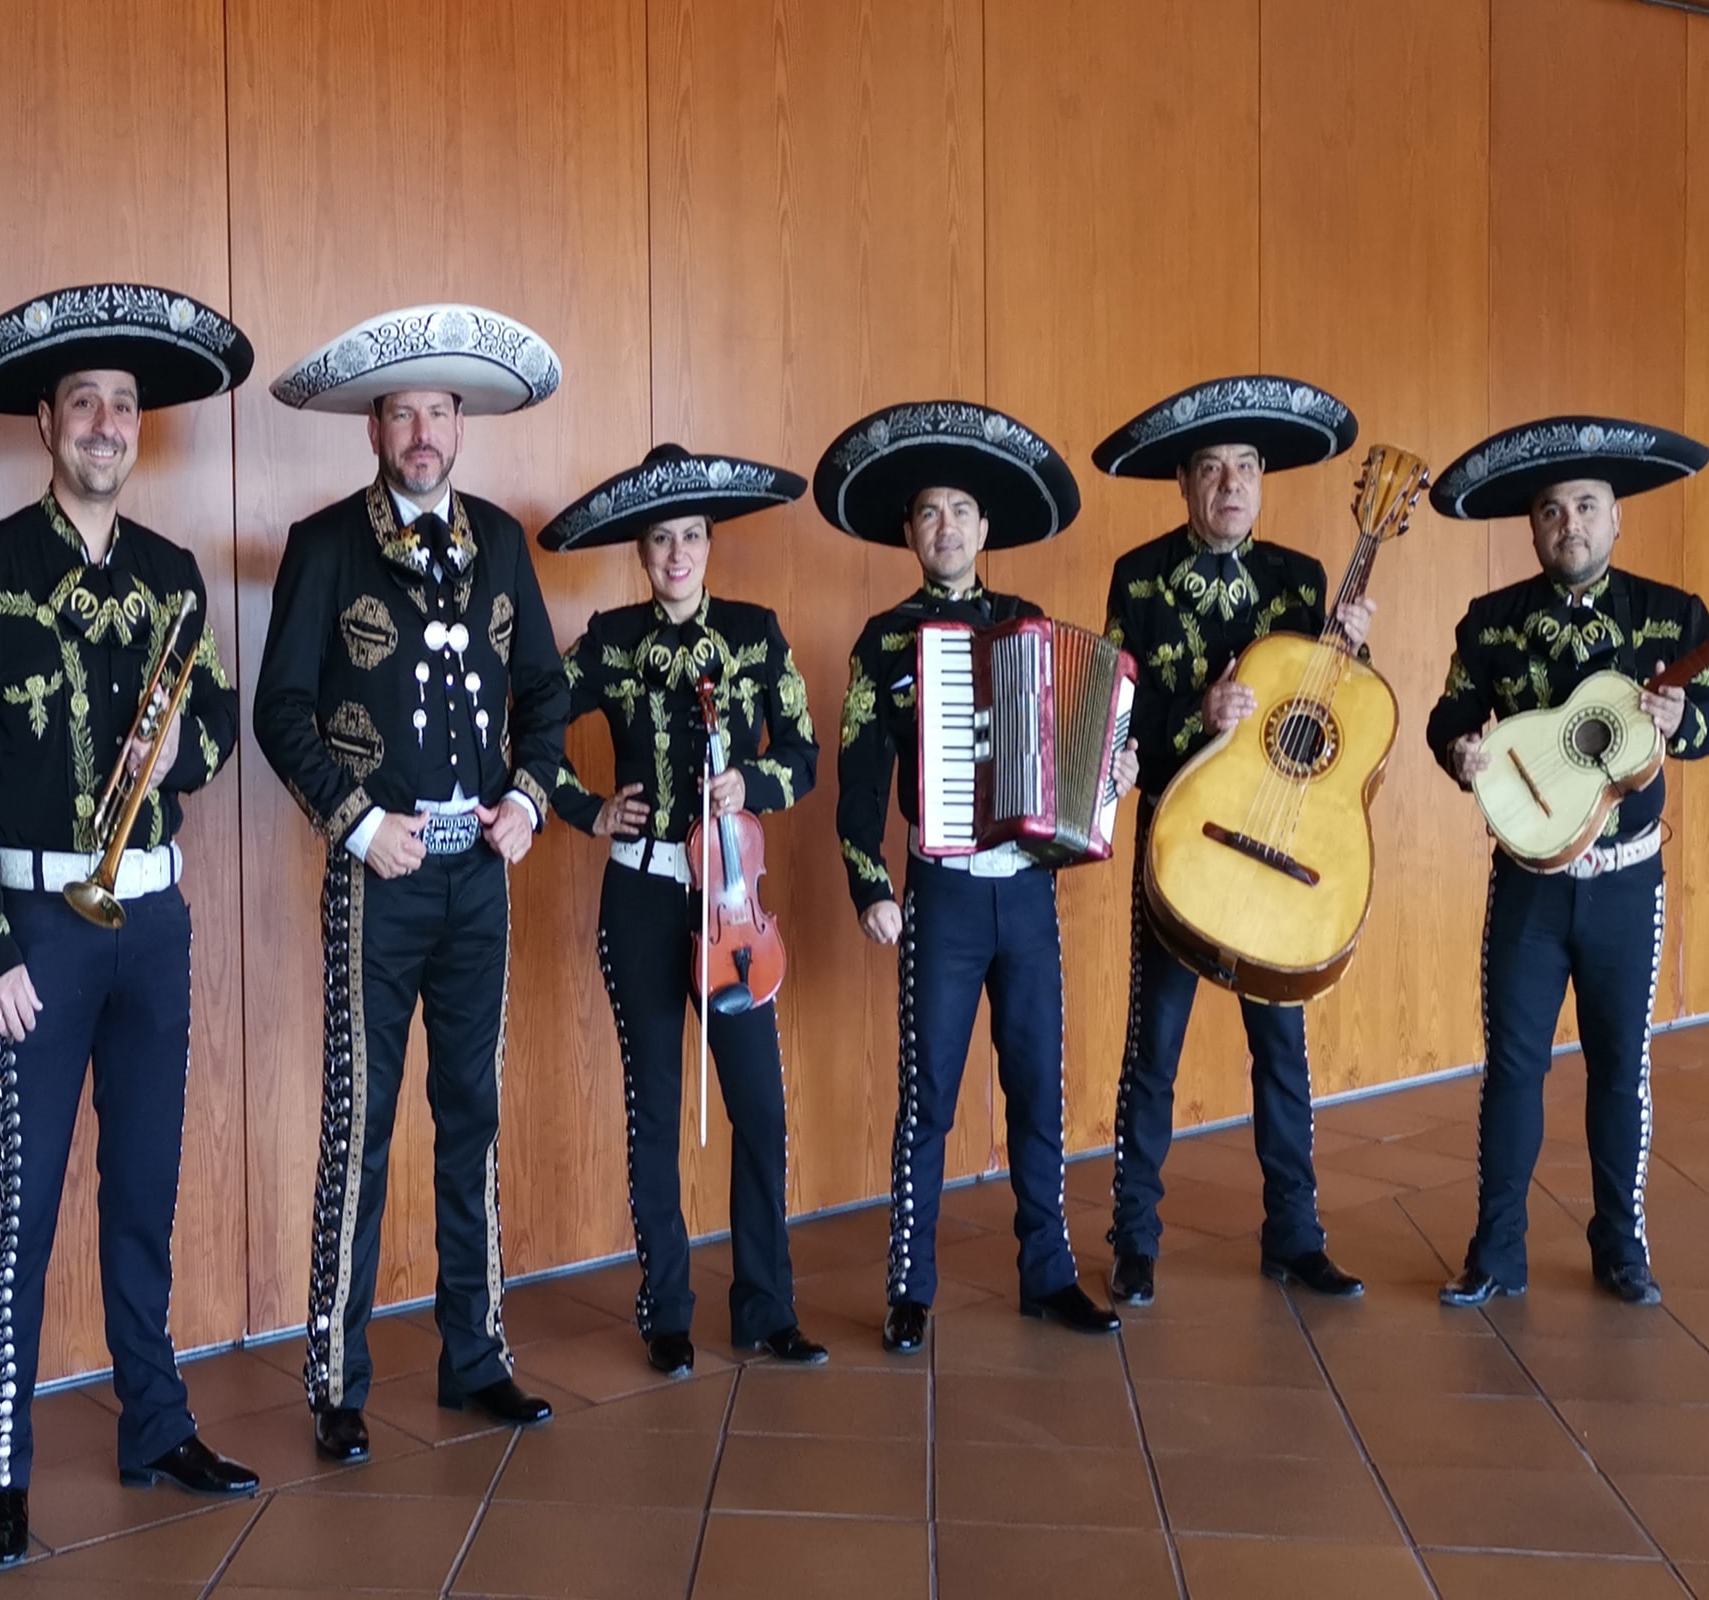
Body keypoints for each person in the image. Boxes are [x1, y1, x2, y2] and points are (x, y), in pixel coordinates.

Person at [0, 283, 258, 1563]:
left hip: (153, 919)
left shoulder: (174, 574)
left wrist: (182, 755)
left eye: (122, 408)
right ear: (46, 427)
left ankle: (154, 1420)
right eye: (84, 407)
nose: (106, 425)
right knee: (28, 1197)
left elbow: (218, 723)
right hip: (39, 922)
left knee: (146, 1183)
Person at [255, 304, 571, 1462]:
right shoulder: (325, 542)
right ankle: (336, 1381)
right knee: (361, 1123)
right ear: (373, 427)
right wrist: (356, 823)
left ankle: (473, 1357)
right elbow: (278, 708)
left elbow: (546, 690)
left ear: (460, 423)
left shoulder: (501, 537)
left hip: (480, 875)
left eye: (440, 410)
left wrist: (531, 800)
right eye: (402, 412)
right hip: (376, 882)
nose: (422, 430)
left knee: (471, 1113)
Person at [819, 400, 1137, 1354]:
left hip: (1027, 891)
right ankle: (909, 1287)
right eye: (929, 513)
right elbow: (859, 772)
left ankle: (1049, 1273)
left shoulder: (1027, 622)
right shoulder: (882, 640)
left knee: (1041, 1086)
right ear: (910, 534)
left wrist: (1111, 774)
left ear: (984, 529)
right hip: (944, 893)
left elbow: (1081, 739)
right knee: (929, 1094)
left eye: (961, 510)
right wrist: (869, 882)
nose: (946, 527)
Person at [1425, 416, 1709, 1309]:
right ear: (1533, 527)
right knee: (1514, 1068)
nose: (1572, 526)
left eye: (1589, 507)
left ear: (1617, 518)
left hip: (1627, 881)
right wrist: (1460, 755)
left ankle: (1621, 1244)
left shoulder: (1675, 619)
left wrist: (1687, 724)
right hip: (1527, 884)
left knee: (1619, 1065)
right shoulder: (1490, 623)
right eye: (1554, 511)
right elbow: (1451, 719)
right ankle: (1496, 1250)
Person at [539, 444, 827, 1376]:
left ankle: (765, 1303)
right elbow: (530, 724)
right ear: (641, 550)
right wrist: (585, 808)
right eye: (660, 539)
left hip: (731, 898)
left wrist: (753, 782)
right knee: (654, 1105)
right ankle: (667, 1309)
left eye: (692, 537)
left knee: (760, 1108)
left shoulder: (754, 631)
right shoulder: (610, 638)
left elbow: (807, 754)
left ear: (710, 543)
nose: (677, 554)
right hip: (641, 894)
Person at [1091, 375, 1375, 1307]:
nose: (1230, 485)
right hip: (1180, 846)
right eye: (1210, 469)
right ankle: (1134, 1240)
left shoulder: (1301, 580)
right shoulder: (1136, 577)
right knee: (1154, 1051)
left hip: (1276, 855)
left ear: (1263, 481)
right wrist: (1197, 712)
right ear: (1183, 484)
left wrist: (1350, 654)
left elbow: (1320, 721)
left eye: (1245, 468)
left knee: (1281, 1053)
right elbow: (1109, 722)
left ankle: (1294, 1234)